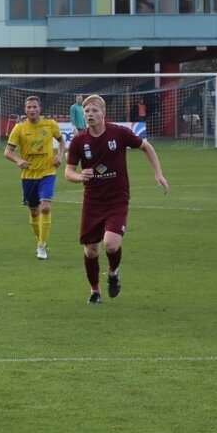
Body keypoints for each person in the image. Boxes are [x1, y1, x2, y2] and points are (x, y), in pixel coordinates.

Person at [64, 94, 169, 305]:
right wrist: (79, 177)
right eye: (87, 111)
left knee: (110, 245)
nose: (90, 115)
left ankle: (113, 273)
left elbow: (146, 146)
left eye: (94, 111)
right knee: (91, 250)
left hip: (117, 200)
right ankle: (95, 291)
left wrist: (158, 173)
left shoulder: (118, 134)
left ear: (103, 113)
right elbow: (68, 172)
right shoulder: (78, 140)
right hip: (92, 201)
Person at [4, 96, 65, 260]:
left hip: (48, 172)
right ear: (25, 110)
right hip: (29, 175)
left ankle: (41, 246)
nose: (32, 109)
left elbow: (61, 141)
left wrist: (60, 155)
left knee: (45, 207)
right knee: (33, 211)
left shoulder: (50, 124)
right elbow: (7, 152)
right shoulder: (19, 128)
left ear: (40, 108)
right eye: (29, 107)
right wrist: (18, 160)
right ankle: (41, 241)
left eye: (34, 107)